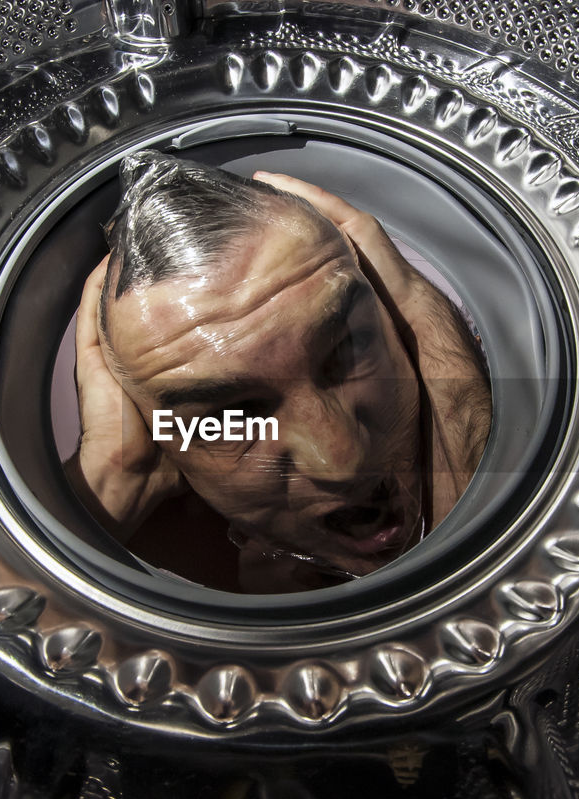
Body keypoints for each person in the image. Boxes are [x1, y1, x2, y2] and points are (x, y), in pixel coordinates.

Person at [65, 152, 490, 592]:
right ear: (164, 443)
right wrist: (114, 476)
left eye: (348, 350)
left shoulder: (499, 388)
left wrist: (422, 317)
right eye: (236, 414)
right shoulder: (159, 568)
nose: (341, 460)